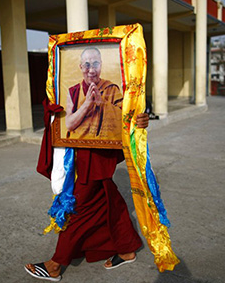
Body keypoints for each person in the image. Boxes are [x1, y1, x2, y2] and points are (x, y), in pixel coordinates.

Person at [26, 110, 151, 281]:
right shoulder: (68, 84)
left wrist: (136, 122)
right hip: (76, 146)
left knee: (78, 207)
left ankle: (55, 264)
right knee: (104, 199)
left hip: (96, 149)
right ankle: (126, 248)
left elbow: (124, 106)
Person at [65, 47, 123, 140]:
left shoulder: (111, 89)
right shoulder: (73, 91)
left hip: (105, 149)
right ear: (81, 67)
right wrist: (87, 104)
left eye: (95, 64)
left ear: (101, 65)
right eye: (87, 65)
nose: (91, 71)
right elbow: (69, 125)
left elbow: (123, 119)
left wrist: (102, 103)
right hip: (80, 148)